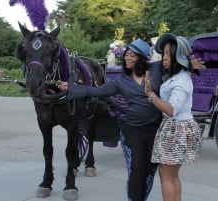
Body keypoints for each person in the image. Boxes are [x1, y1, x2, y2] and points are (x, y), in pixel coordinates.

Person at [57, 38, 205, 201]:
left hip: (156, 129)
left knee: (150, 170)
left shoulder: (156, 69)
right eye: (125, 55)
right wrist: (71, 87)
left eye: (131, 55)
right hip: (132, 128)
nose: (127, 58)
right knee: (137, 169)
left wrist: (190, 64)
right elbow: (97, 91)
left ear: (141, 58)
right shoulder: (120, 81)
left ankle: (142, 197)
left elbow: (176, 64)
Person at [144, 33, 203, 201]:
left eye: (169, 53)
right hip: (177, 128)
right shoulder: (178, 76)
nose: (164, 57)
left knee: (167, 176)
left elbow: (171, 110)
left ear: (178, 56)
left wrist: (150, 94)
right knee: (172, 176)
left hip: (176, 129)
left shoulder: (181, 80)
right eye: (164, 53)